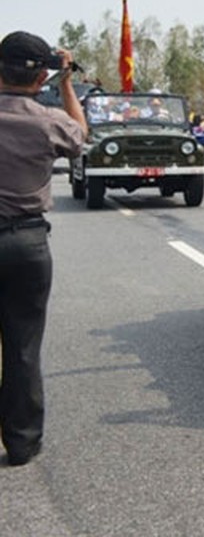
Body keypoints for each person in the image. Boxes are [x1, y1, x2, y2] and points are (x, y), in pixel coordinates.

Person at [0, 31, 88, 467]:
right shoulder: (47, 119)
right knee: (22, 346)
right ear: (42, 79)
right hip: (27, 244)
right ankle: (21, 442)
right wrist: (67, 81)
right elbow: (80, 135)